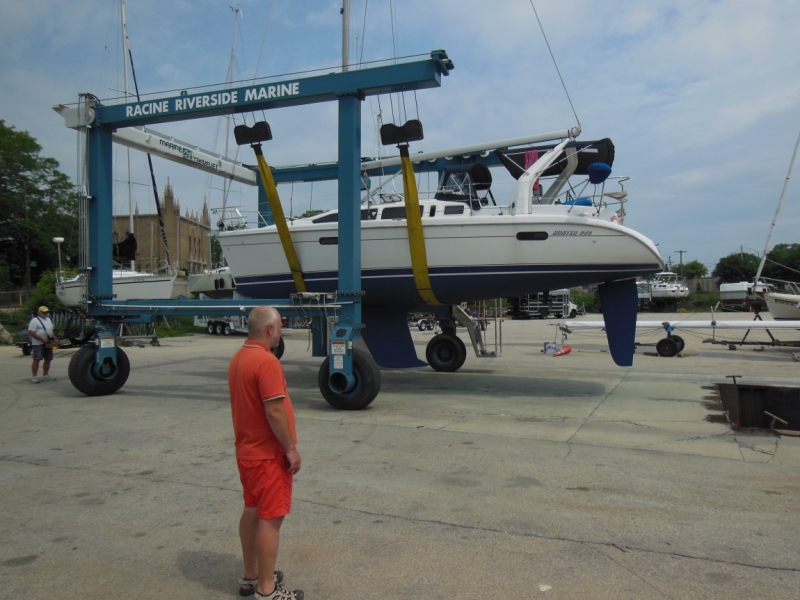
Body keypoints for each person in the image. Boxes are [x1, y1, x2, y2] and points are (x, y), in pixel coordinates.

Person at [228, 306, 303, 600]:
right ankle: (266, 590)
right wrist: (290, 449)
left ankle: (252, 575)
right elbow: (274, 410)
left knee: (252, 511)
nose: (281, 332)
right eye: (280, 327)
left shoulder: (239, 358)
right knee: (271, 518)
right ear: (270, 329)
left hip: (247, 451)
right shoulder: (266, 361)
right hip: (267, 454)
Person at [28, 306, 58, 384]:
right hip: (38, 343)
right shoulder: (34, 320)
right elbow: (31, 332)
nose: (45, 313)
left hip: (48, 342)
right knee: (37, 359)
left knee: (48, 359)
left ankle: (45, 375)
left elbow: (50, 330)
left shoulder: (48, 320)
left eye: (46, 312)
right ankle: (34, 377)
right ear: (39, 312)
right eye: (43, 312)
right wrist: (42, 339)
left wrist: (54, 337)